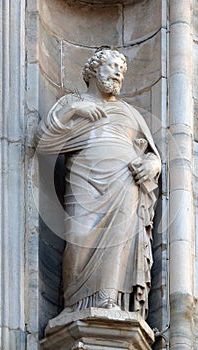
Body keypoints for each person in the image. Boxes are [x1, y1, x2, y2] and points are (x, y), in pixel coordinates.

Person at [35, 47, 161, 319]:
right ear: (93, 70)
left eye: (121, 70)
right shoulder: (72, 103)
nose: (118, 73)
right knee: (80, 237)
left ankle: (109, 299)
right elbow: (43, 141)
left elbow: (150, 152)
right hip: (84, 182)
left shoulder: (129, 113)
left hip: (124, 184)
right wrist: (74, 111)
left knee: (119, 240)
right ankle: (74, 306)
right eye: (112, 66)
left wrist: (154, 164)